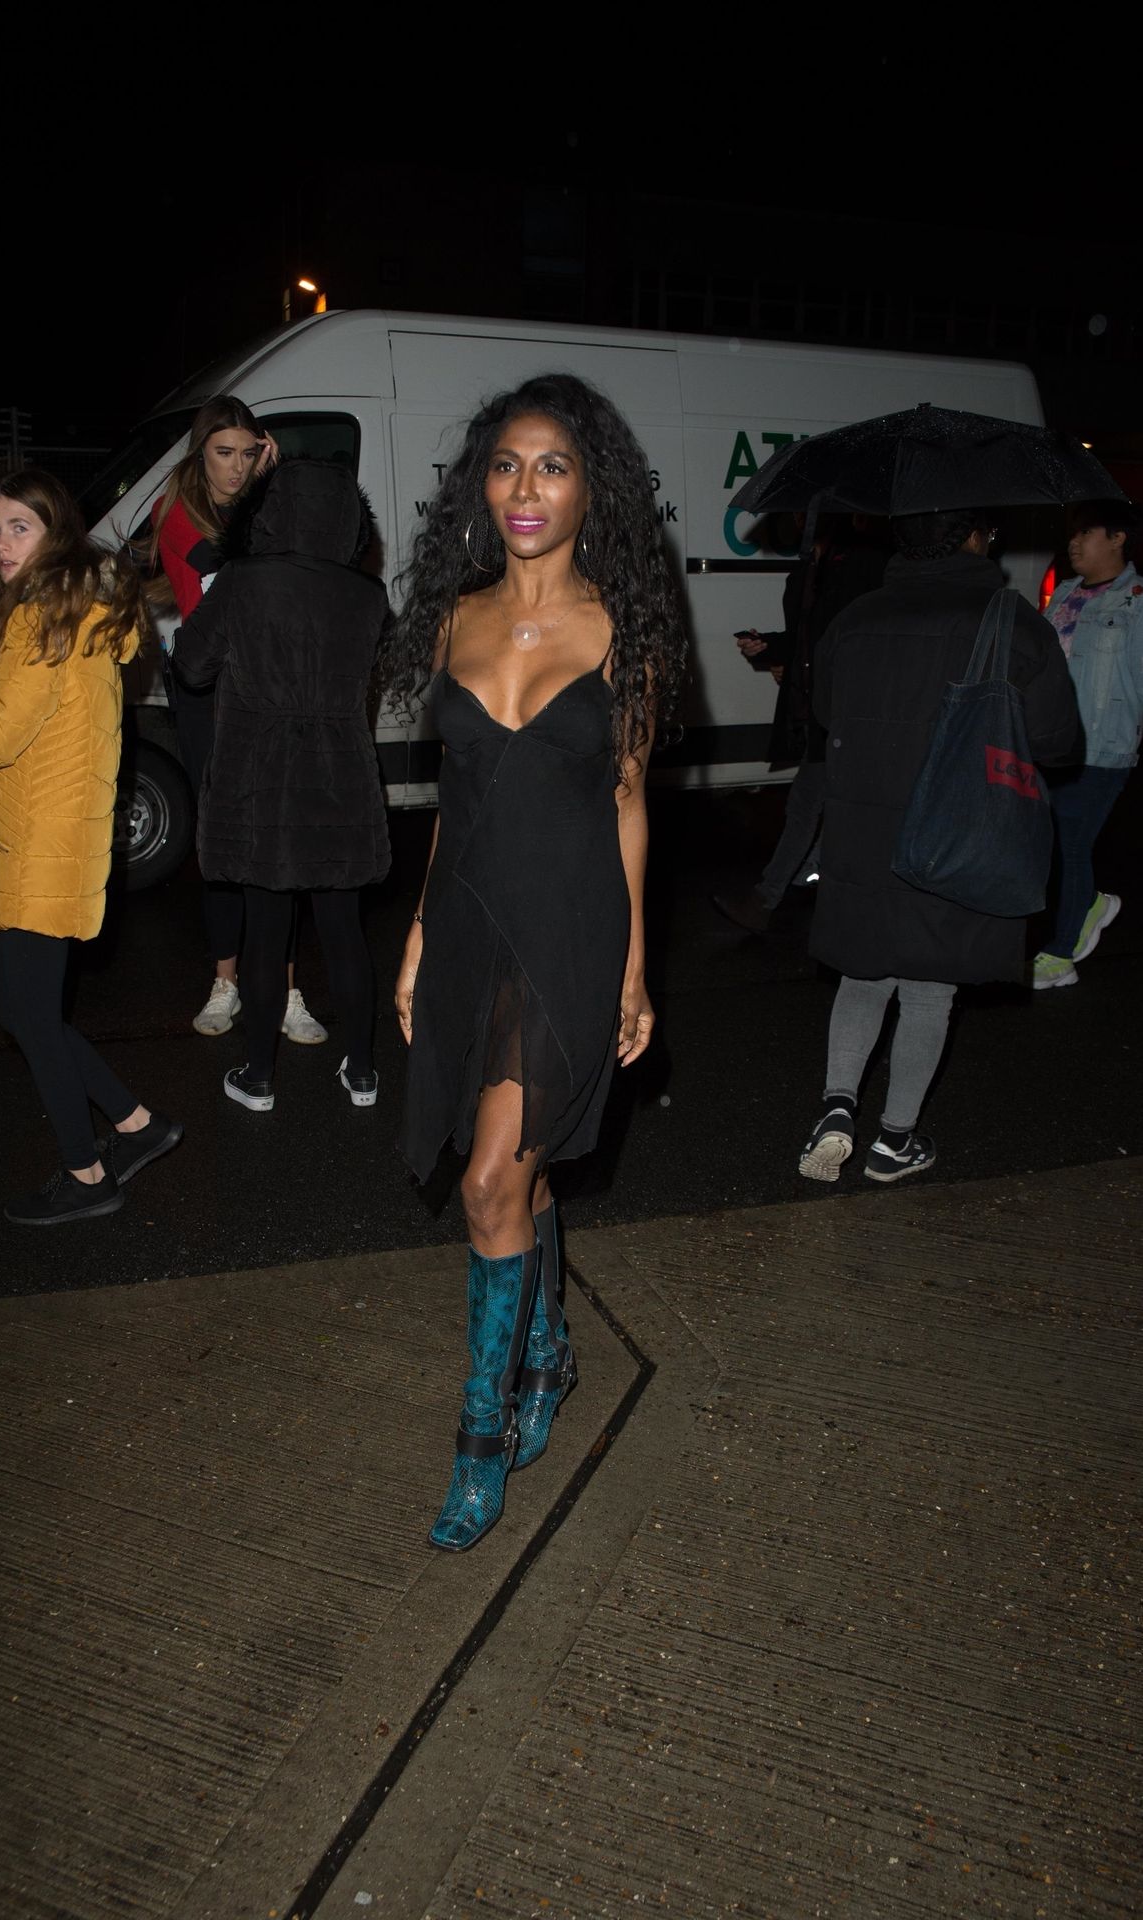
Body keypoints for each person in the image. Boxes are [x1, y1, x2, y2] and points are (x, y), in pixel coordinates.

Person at [382, 373, 688, 1551]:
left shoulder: (623, 631)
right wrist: (419, 932)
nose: (525, 486)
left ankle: (483, 1430)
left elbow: (629, 805)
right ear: (482, 485)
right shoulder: (455, 620)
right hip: (468, 920)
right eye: (506, 464)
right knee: (520, 1166)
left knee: (485, 1185)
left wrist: (634, 967)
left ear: (589, 491)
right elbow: (459, 803)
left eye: (552, 466)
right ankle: (550, 1352)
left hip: (569, 928)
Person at [0, 469, 183, 1225]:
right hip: (60, 834)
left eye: (19, 528)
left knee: (26, 1014)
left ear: (55, 531)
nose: (2, 544)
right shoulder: (80, 608)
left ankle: (88, 1175)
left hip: (36, 843)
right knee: (26, 1008)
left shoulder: (40, 617)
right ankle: (137, 1125)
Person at [797, 507, 1078, 1186]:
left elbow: (826, 711)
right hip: (954, 828)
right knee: (927, 992)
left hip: (862, 830)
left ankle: (837, 1109)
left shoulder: (856, 617)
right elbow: (1058, 742)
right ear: (976, 537)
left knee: (863, 976)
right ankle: (893, 1141)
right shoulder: (1010, 621)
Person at [172, 459, 390, 1111]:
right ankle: (362, 1072)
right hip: (341, 780)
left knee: (265, 933)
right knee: (344, 930)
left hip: (261, 783)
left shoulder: (243, 580)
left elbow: (191, 666)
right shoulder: (368, 595)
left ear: (267, 514)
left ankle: (260, 1078)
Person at [147, 396, 327, 1045]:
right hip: (208, 693)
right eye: (224, 453)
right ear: (200, 453)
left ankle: (285, 989)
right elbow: (230, 564)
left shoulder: (260, 504)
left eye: (249, 454)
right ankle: (226, 981)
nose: (236, 467)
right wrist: (267, 494)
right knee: (221, 842)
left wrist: (277, 488)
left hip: (270, 688)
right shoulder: (175, 512)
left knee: (278, 839)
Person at [713, 514, 889, 933]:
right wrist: (767, 647)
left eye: (801, 512)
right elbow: (806, 640)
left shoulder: (862, 564)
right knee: (823, 801)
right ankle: (803, 879)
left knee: (810, 801)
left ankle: (768, 897)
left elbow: (856, 640)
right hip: (818, 707)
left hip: (849, 706)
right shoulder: (806, 570)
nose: (793, 520)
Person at [1031, 497, 1143, 988]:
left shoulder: (1136, 602)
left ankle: (1060, 954)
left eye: (1086, 533)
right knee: (1052, 844)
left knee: (1071, 845)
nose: (1073, 543)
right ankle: (1088, 905)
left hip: (1101, 747)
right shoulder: (1065, 593)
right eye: (1073, 533)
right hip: (1053, 742)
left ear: (1118, 538)